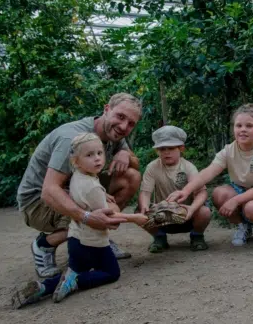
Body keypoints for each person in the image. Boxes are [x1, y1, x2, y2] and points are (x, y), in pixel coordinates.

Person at [11, 133, 148, 309]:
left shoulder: (79, 175)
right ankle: (76, 283)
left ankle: (43, 288)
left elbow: (84, 193)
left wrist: (102, 193)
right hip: (93, 243)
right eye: (89, 155)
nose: (97, 159)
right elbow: (108, 217)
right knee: (111, 272)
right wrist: (135, 218)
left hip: (75, 239)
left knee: (74, 270)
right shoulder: (92, 187)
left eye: (99, 153)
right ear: (76, 161)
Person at [16, 93, 142, 278]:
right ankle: (45, 244)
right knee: (93, 212)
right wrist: (87, 217)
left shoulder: (115, 134)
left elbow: (135, 164)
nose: (124, 127)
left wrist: (125, 153)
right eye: (120, 117)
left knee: (130, 177)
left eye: (131, 123)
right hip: (36, 203)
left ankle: (97, 237)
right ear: (106, 109)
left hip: (75, 189)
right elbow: (49, 190)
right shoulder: (73, 139)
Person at [167, 103, 253, 246]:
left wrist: (235, 201)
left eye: (249, 126)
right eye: (238, 126)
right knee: (219, 194)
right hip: (241, 189)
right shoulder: (228, 150)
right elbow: (208, 172)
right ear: (233, 129)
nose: (243, 130)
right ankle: (243, 226)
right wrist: (185, 191)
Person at [137, 125, 211, 253]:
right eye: (162, 149)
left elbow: (202, 193)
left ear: (181, 148)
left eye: (171, 148)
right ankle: (159, 238)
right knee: (139, 211)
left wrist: (192, 209)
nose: (166, 152)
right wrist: (145, 207)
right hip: (161, 216)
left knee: (204, 211)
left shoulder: (188, 167)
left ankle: (197, 236)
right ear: (157, 151)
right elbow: (145, 192)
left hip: (186, 215)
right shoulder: (152, 167)